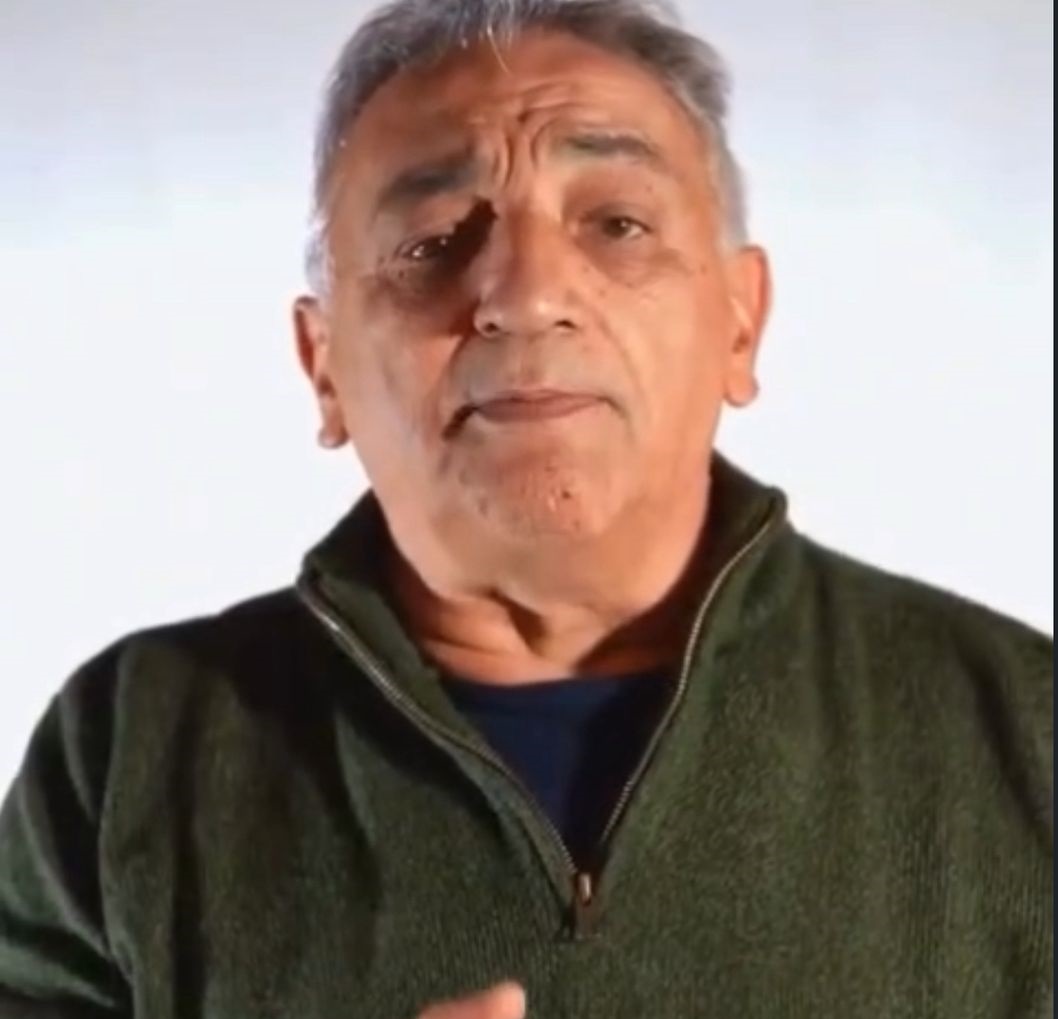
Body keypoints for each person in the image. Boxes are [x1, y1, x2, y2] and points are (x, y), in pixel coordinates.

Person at [0, 0, 1051, 1016]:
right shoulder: (130, 749)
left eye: (618, 224)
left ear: (740, 322)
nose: (526, 291)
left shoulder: (1023, 731)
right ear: (323, 368)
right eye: (430, 243)